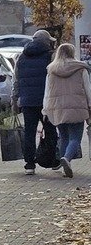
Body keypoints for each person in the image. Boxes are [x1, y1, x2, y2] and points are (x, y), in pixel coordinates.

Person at [13, 29, 58, 173]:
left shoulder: (21, 57)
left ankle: (29, 164)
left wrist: (15, 98)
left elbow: (16, 79)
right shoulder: (50, 56)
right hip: (46, 101)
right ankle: (51, 159)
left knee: (29, 132)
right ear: (46, 42)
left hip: (27, 101)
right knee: (51, 130)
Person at [43, 41, 91, 178]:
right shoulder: (81, 69)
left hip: (57, 107)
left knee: (63, 136)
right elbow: (87, 89)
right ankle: (67, 159)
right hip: (77, 107)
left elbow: (47, 91)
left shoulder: (51, 70)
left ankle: (65, 164)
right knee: (75, 137)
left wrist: (45, 109)